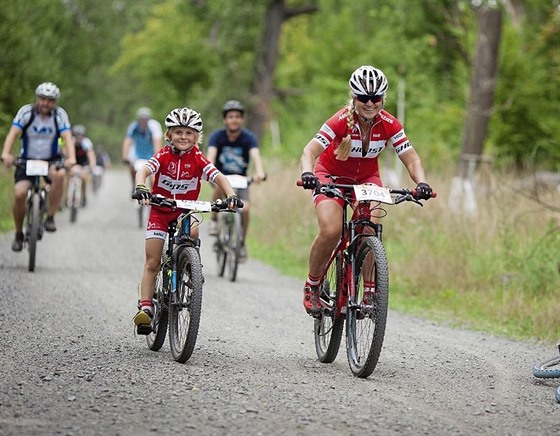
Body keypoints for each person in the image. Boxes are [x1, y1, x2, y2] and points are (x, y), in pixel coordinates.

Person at [299, 65, 433, 316]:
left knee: (370, 229)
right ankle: (313, 286)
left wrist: (421, 183)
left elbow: (411, 159)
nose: (370, 103)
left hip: (367, 180)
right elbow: (309, 151)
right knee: (331, 230)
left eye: (376, 98)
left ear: (383, 98)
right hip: (331, 176)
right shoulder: (339, 121)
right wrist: (307, 173)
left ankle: (370, 292)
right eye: (363, 98)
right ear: (354, 97)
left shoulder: (390, 124)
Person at [132, 107, 242, 333]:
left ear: (197, 137)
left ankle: (191, 268)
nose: (183, 137)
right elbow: (144, 170)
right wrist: (141, 186)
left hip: (186, 211)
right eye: (178, 132)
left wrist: (230, 195)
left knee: (193, 232)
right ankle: (146, 308)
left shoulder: (198, 159)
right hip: (160, 211)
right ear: (169, 135)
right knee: (153, 261)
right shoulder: (163, 155)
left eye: (189, 133)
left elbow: (218, 176)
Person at [1, 82, 76, 250]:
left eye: (50, 100)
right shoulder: (26, 112)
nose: (45, 103)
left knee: (60, 175)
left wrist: (71, 157)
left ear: (54, 102)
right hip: (27, 159)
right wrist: (6, 153)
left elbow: (67, 137)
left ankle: (50, 216)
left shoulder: (59, 115)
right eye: (42, 99)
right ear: (37, 98)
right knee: (20, 193)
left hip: (50, 160)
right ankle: (19, 233)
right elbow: (13, 133)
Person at [205, 100, 266, 261]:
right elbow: (210, 156)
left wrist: (260, 173)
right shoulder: (217, 136)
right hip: (220, 176)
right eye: (230, 116)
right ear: (225, 119)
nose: (234, 119)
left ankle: (241, 243)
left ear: (242, 119)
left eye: (238, 116)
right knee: (219, 185)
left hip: (241, 180)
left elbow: (256, 156)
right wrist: (210, 169)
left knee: (245, 209)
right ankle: (214, 220)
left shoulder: (248, 138)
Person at [121, 107, 163, 191]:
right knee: (132, 167)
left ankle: (153, 194)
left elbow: (157, 143)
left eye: (146, 120)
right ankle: (134, 184)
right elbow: (127, 141)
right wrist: (125, 156)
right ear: (139, 120)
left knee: (153, 178)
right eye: (142, 120)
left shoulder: (154, 126)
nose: (143, 122)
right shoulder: (134, 126)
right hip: (137, 154)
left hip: (151, 154)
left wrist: (158, 158)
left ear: (149, 119)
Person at [68, 124, 96, 206]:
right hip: (73, 163)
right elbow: (66, 154)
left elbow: (91, 156)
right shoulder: (71, 142)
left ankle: (83, 196)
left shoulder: (86, 143)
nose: (79, 137)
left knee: (84, 178)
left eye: (80, 135)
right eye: (77, 135)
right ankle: (63, 200)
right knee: (67, 177)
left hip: (84, 164)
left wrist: (92, 166)